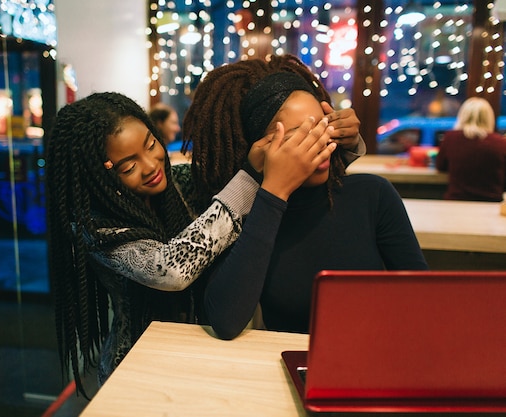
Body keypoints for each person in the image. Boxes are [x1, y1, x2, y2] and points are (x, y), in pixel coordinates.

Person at [45, 91, 336, 395]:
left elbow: (294, 189)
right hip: (135, 368)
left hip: (200, 351)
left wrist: (342, 143)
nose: (151, 166)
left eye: (150, 144)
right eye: (128, 167)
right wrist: (250, 177)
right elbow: (170, 269)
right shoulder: (94, 226)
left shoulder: (180, 181)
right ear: (99, 176)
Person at [181, 54, 429, 340]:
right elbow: (225, 321)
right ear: (262, 149)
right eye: (301, 136)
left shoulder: (372, 196)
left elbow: (422, 300)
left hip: (374, 358)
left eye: (324, 125)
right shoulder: (249, 215)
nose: (320, 141)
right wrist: (274, 192)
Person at [436, 97, 506, 202]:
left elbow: (441, 166)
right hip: (490, 205)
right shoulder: (500, 143)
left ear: (462, 116)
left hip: (455, 203)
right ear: (489, 118)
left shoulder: (450, 138)